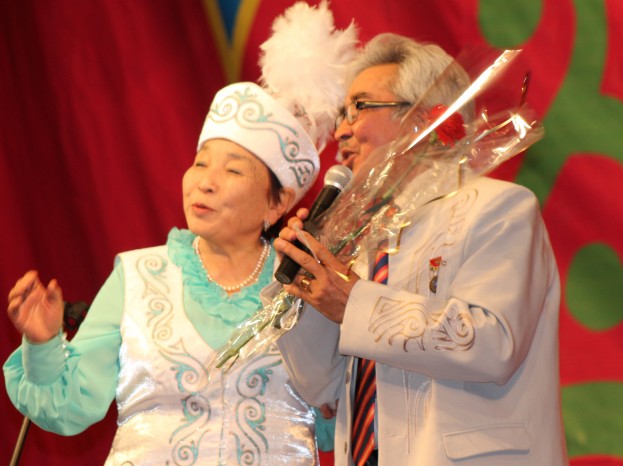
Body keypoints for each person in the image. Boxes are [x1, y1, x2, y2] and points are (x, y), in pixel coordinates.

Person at [3, 81, 338, 465]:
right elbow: (70, 406)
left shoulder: (307, 286)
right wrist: (44, 344)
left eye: (232, 170)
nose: (205, 183)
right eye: (200, 164)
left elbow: (333, 420)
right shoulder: (138, 275)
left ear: (278, 203)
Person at [272, 33, 569, 465]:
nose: (341, 130)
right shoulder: (359, 240)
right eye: (341, 114)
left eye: (359, 108)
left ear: (425, 119)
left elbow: (492, 343)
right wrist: (306, 282)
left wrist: (354, 304)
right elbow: (322, 388)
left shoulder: (499, 208)